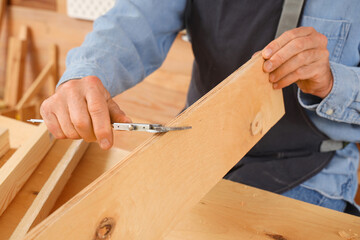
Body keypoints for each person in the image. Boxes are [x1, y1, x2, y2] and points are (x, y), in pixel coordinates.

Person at [40, 0, 360, 214]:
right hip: (199, 142)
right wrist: (85, 75)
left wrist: (331, 81)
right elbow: (139, 16)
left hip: (309, 163)